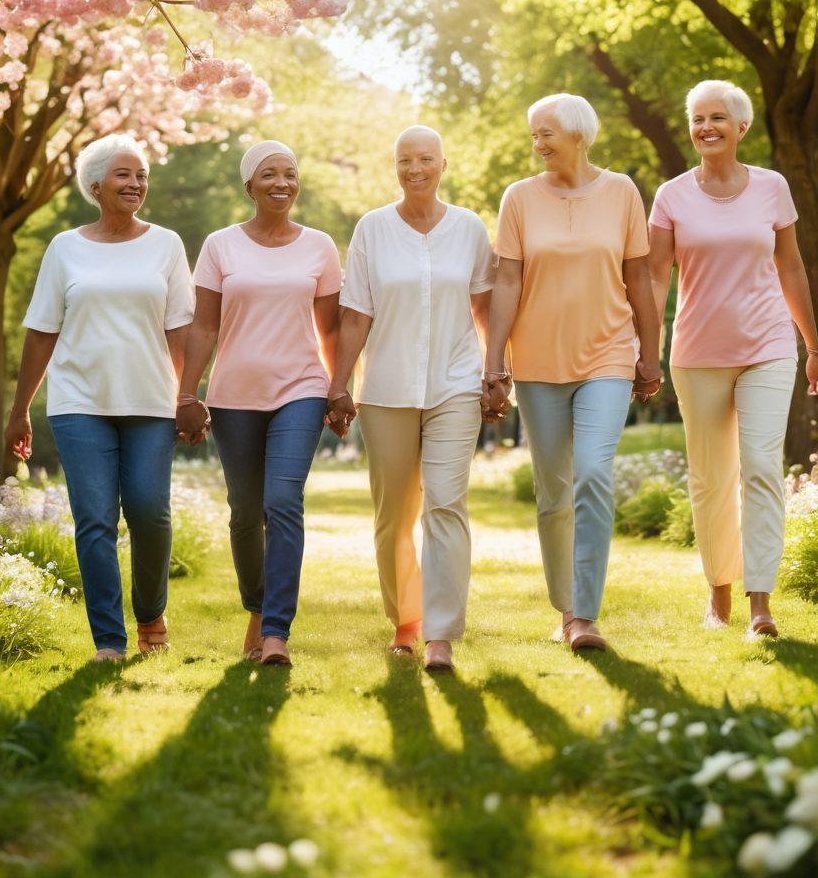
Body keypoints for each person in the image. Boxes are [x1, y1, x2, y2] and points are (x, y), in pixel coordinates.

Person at [5, 133, 194, 662]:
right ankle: (109, 640)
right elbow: (41, 331)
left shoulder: (167, 244)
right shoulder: (66, 248)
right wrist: (20, 411)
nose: (136, 184)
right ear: (95, 185)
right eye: (124, 175)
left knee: (150, 511)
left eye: (141, 177)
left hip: (150, 402)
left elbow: (180, 326)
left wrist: (186, 395)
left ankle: (151, 612)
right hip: (78, 402)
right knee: (95, 520)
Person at [485, 94, 661, 652]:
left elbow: (640, 280)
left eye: (547, 134)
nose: (537, 144)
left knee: (592, 473)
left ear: (579, 134)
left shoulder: (622, 192)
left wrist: (650, 353)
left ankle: (585, 614)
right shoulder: (518, 199)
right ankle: (565, 608)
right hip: (536, 361)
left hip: (607, 354)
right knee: (552, 493)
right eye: (534, 134)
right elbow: (507, 284)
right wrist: (495, 362)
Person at [648, 80, 818, 638]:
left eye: (718, 118)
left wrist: (813, 345)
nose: (706, 128)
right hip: (697, 352)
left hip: (768, 345)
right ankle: (717, 593)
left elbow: (791, 267)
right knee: (710, 477)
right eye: (698, 119)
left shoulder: (772, 187)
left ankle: (760, 603)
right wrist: (644, 347)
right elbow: (654, 276)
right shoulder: (671, 195)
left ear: (741, 127)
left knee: (763, 468)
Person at [327, 126, 494, 673]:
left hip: (456, 384)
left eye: (424, 159)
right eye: (404, 160)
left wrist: (497, 372)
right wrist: (340, 383)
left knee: (446, 502)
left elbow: (485, 309)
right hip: (388, 388)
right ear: (394, 167)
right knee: (394, 514)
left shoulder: (469, 228)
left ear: (443, 163)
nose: (414, 168)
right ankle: (406, 619)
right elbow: (356, 314)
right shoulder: (373, 229)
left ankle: (441, 634)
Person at [176, 141, 340, 667]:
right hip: (234, 395)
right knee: (246, 511)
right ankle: (257, 606)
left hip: (301, 389)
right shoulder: (221, 245)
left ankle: (276, 632)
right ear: (249, 186)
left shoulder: (319, 247)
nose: (281, 183)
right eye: (268, 174)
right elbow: (203, 326)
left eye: (290, 174)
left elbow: (331, 330)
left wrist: (339, 387)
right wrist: (187, 392)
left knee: (282, 502)